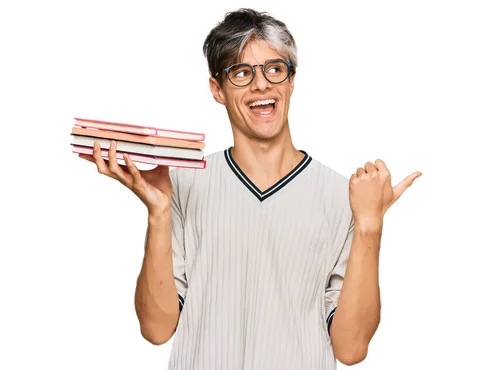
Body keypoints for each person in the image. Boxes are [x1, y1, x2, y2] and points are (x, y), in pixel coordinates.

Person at [79, 8, 421, 370]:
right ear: (217, 89)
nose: (261, 85)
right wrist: (159, 212)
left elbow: (351, 350)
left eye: (275, 69)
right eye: (242, 72)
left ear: (291, 81)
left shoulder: (345, 197)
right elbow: (157, 329)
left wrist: (370, 224)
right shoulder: (182, 184)